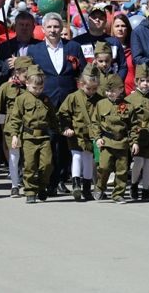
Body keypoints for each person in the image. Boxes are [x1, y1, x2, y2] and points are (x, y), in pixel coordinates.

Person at [28, 12, 86, 196]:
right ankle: (49, 180)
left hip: (68, 103)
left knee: (66, 143)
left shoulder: (73, 47)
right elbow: (31, 77)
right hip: (46, 102)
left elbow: (82, 73)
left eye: (56, 27)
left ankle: (62, 178)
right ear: (43, 29)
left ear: (62, 29)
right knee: (50, 143)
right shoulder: (34, 50)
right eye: (50, 27)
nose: (53, 30)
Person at [7, 66, 58, 204]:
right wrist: (15, 135)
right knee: (29, 165)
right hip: (29, 137)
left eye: (40, 88)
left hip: (44, 137)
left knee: (47, 164)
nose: (38, 91)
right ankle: (30, 190)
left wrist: (58, 130)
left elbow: (52, 117)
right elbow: (16, 118)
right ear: (27, 83)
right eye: (35, 88)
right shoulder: (21, 99)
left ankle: (42, 186)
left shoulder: (46, 99)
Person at [0, 55, 33, 197]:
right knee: (14, 157)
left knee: (29, 157)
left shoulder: (33, 86)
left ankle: (29, 183)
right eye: (25, 75)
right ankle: (14, 184)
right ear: (17, 73)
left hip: (29, 126)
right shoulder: (6, 87)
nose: (28, 78)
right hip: (11, 126)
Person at [58, 66, 101, 201]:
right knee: (76, 157)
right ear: (81, 84)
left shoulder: (99, 99)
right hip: (76, 135)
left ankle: (87, 188)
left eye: (95, 88)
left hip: (91, 136)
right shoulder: (73, 97)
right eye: (89, 88)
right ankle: (76, 185)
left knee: (88, 159)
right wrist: (66, 128)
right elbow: (62, 113)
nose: (92, 91)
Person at [92, 74, 132, 203]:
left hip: (122, 142)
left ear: (121, 89)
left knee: (122, 170)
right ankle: (100, 186)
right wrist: (97, 137)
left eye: (113, 91)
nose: (110, 93)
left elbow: (134, 126)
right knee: (104, 167)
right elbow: (95, 123)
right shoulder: (101, 104)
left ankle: (118, 194)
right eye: (108, 91)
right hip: (107, 141)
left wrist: (134, 142)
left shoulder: (128, 106)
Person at [126, 65, 149, 201]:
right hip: (137, 135)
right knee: (138, 162)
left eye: (148, 80)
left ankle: (146, 190)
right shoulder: (130, 99)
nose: (145, 84)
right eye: (142, 80)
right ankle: (134, 185)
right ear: (136, 82)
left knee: (148, 164)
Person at [73, 4, 128, 81]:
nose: (97, 19)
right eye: (94, 17)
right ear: (89, 20)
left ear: (105, 21)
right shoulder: (77, 42)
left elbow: (123, 66)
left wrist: (115, 83)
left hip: (109, 89)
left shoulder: (114, 42)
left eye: (101, 18)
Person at [0, 10, 40, 85]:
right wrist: (7, 80)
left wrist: (20, 62)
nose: (24, 28)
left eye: (27, 25)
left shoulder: (40, 46)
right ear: (15, 27)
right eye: (21, 25)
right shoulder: (3, 47)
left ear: (33, 28)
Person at [111, 14, 136, 94]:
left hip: (131, 92)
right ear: (112, 28)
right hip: (113, 93)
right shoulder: (107, 48)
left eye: (123, 26)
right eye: (117, 26)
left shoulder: (134, 48)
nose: (120, 29)